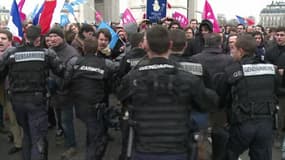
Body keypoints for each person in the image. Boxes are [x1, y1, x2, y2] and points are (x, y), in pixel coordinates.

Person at [117, 25, 218, 160]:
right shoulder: (189, 80)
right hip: (177, 150)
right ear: (170, 45)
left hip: (144, 149)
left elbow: (121, 99)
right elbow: (208, 103)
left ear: (145, 46)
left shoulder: (132, 78)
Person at [0, 25, 64, 160]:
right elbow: (61, 71)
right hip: (37, 101)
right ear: (38, 39)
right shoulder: (47, 53)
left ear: (25, 37)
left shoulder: (11, 53)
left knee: (27, 135)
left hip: (17, 101)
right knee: (38, 138)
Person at [214, 34, 278, 160]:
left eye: (234, 49)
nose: (232, 52)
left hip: (242, 124)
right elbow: (277, 89)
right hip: (266, 124)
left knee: (228, 155)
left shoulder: (232, 70)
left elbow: (221, 97)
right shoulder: (270, 68)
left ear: (241, 51)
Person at [64, 38, 112, 160]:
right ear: (97, 49)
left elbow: (66, 82)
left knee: (92, 131)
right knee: (94, 136)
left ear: (83, 48)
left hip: (79, 104)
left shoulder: (75, 62)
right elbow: (110, 83)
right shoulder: (105, 63)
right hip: (95, 105)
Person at [190, 33, 233, 160]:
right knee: (219, 134)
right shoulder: (229, 60)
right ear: (220, 44)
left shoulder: (194, 59)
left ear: (205, 43)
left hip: (201, 103)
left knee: (200, 136)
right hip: (221, 104)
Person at [48, 27, 80, 159]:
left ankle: (71, 145)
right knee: (59, 118)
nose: (52, 39)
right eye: (50, 36)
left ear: (62, 37)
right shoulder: (50, 51)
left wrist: (57, 83)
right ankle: (62, 134)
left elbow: (73, 76)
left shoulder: (72, 53)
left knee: (67, 121)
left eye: (56, 36)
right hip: (54, 92)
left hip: (67, 92)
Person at [0, 29, 23, 154]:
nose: (0, 41)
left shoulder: (13, 53)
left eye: (3, 38)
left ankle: (19, 143)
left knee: (15, 118)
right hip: (3, 90)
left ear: (10, 41)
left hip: (12, 90)